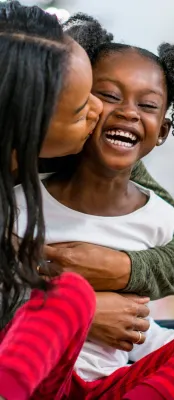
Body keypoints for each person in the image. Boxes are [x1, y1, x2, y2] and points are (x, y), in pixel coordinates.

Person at [13, 15, 174, 399]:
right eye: (94, 101)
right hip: (37, 367)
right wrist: (84, 310)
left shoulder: (152, 209)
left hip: (107, 375)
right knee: (70, 294)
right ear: (36, 111)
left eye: (146, 105)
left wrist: (123, 268)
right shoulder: (21, 202)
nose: (123, 112)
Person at [0, 1, 102, 399]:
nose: (99, 110)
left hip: (45, 347)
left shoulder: (84, 154)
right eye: (80, 111)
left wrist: (128, 268)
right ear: (24, 128)